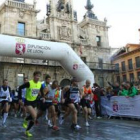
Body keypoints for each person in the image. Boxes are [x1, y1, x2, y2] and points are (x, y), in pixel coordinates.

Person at [18, 71, 42, 137]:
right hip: (28, 101)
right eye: (37, 76)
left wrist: (42, 96)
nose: (38, 77)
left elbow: (40, 91)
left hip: (34, 102)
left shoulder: (40, 84)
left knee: (34, 118)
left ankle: (27, 131)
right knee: (34, 115)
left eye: (39, 76)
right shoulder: (29, 83)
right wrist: (19, 98)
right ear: (34, 76)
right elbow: (20, 88)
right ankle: (25, 120)